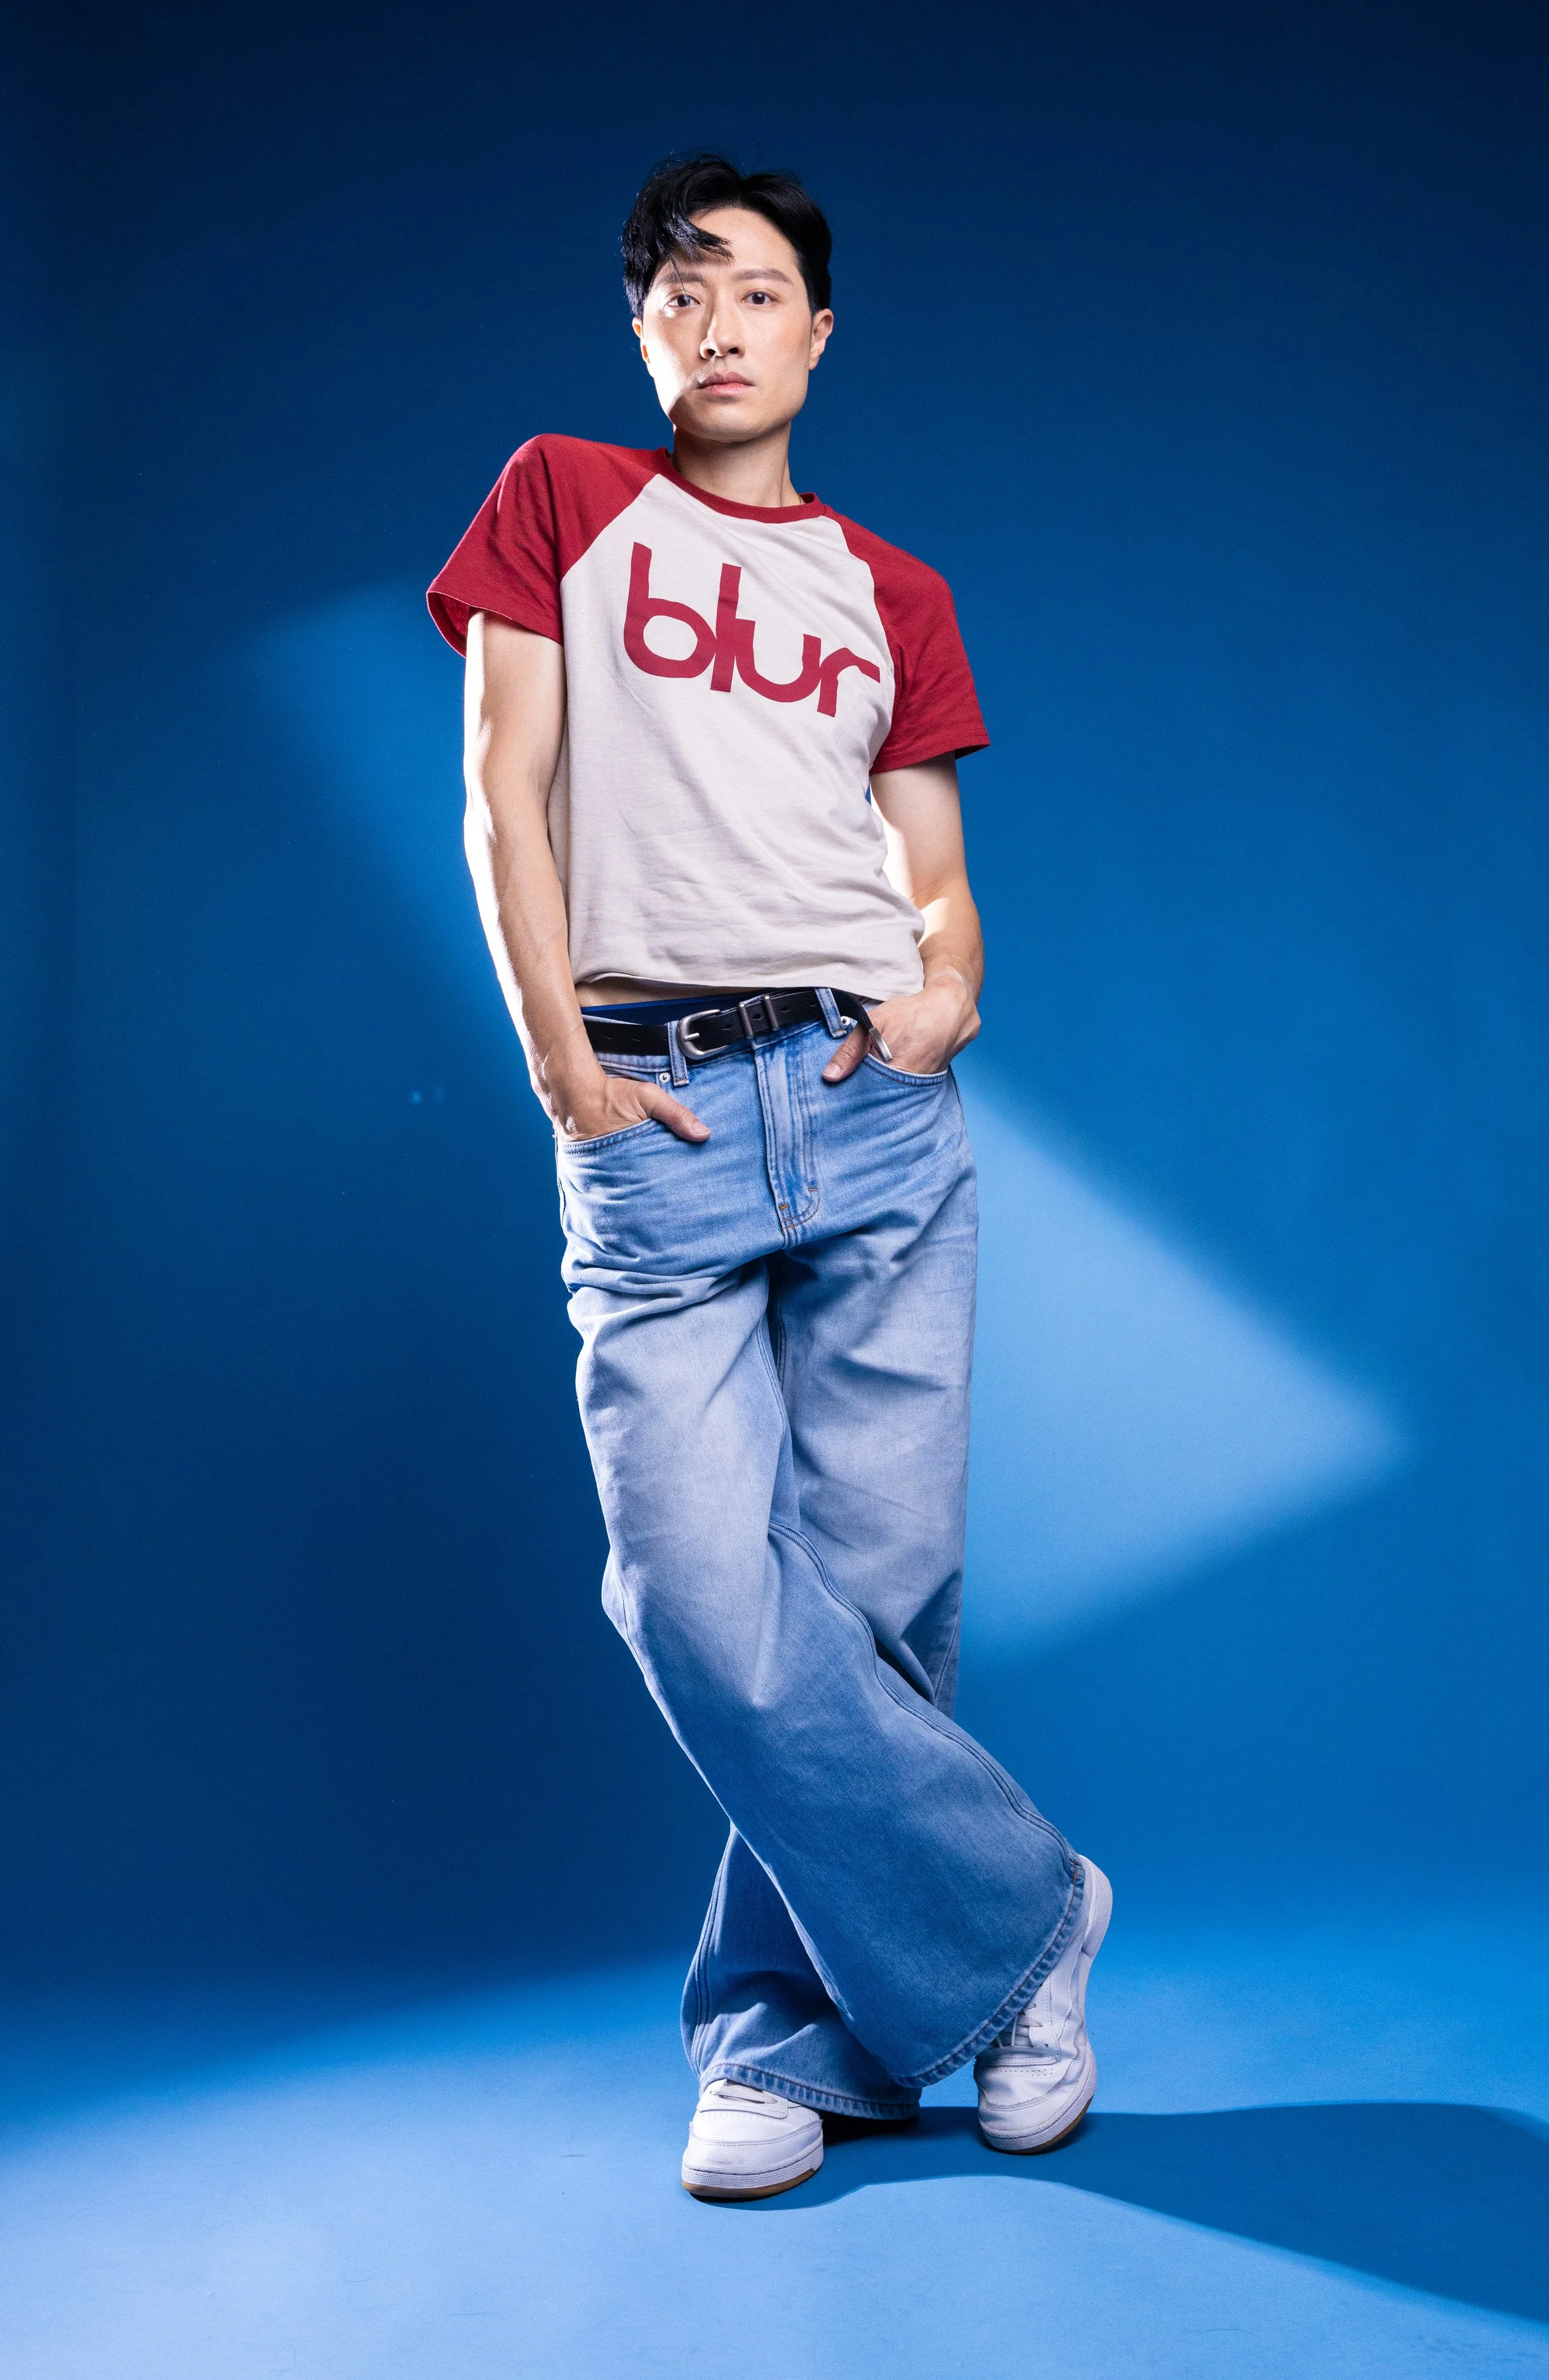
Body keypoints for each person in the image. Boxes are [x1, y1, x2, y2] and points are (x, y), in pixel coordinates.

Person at [427, 152, 1109, 2204]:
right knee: (700, 1599)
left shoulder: (890, 590)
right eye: (673, 295)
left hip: (873, 1095)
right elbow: (502, 789)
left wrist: (946, 991)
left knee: (877, 1607)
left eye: (749, 293)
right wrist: (563, 1059)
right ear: (640, 334)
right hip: (657, 1113)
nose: (710, 323)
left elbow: (930, 869)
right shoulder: (562, 497)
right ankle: (1029, 1920)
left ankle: (780, 2039)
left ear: (817, 332)